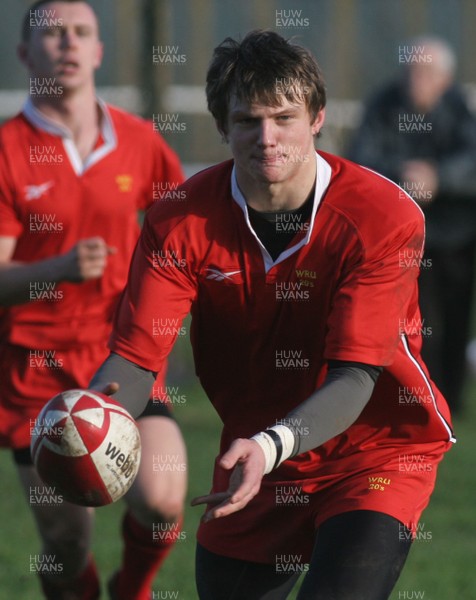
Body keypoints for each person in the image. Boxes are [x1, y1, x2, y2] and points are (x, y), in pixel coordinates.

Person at [90, 30, 455, 599]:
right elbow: (137, 358)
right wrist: (92, 420)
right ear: (221, 127)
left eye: (285, 117)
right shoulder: (179, 220)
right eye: (247, 121)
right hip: (253, 459)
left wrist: (269, 444)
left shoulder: (382, 215)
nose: (267, 138)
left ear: (317, 118)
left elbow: (356, 375)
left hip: (373, 451)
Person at [0, 2, 187, 599]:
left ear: (99, 51)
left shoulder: (141, 142)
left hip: (123, 357)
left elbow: (184, 244)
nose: (68, 44)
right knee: (65, 543)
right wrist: (55, 268)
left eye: (81, 32)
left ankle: (132, 588)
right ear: (26, 53)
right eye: (51, 34)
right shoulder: (7, 149)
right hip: (37, 369)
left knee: (162, 501)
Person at [347, 36, 476, 414]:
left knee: (452, 322)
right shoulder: (382, 105)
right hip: (398, 240)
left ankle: (449, 402)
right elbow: (360, 161)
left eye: (428, 72)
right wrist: (402, 175)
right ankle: (407, 399)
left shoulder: (460, 111)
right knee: (403, 325)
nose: (417, 78)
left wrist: (438, 178)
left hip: (455, 240)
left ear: (446, 79)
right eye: (413, 70)